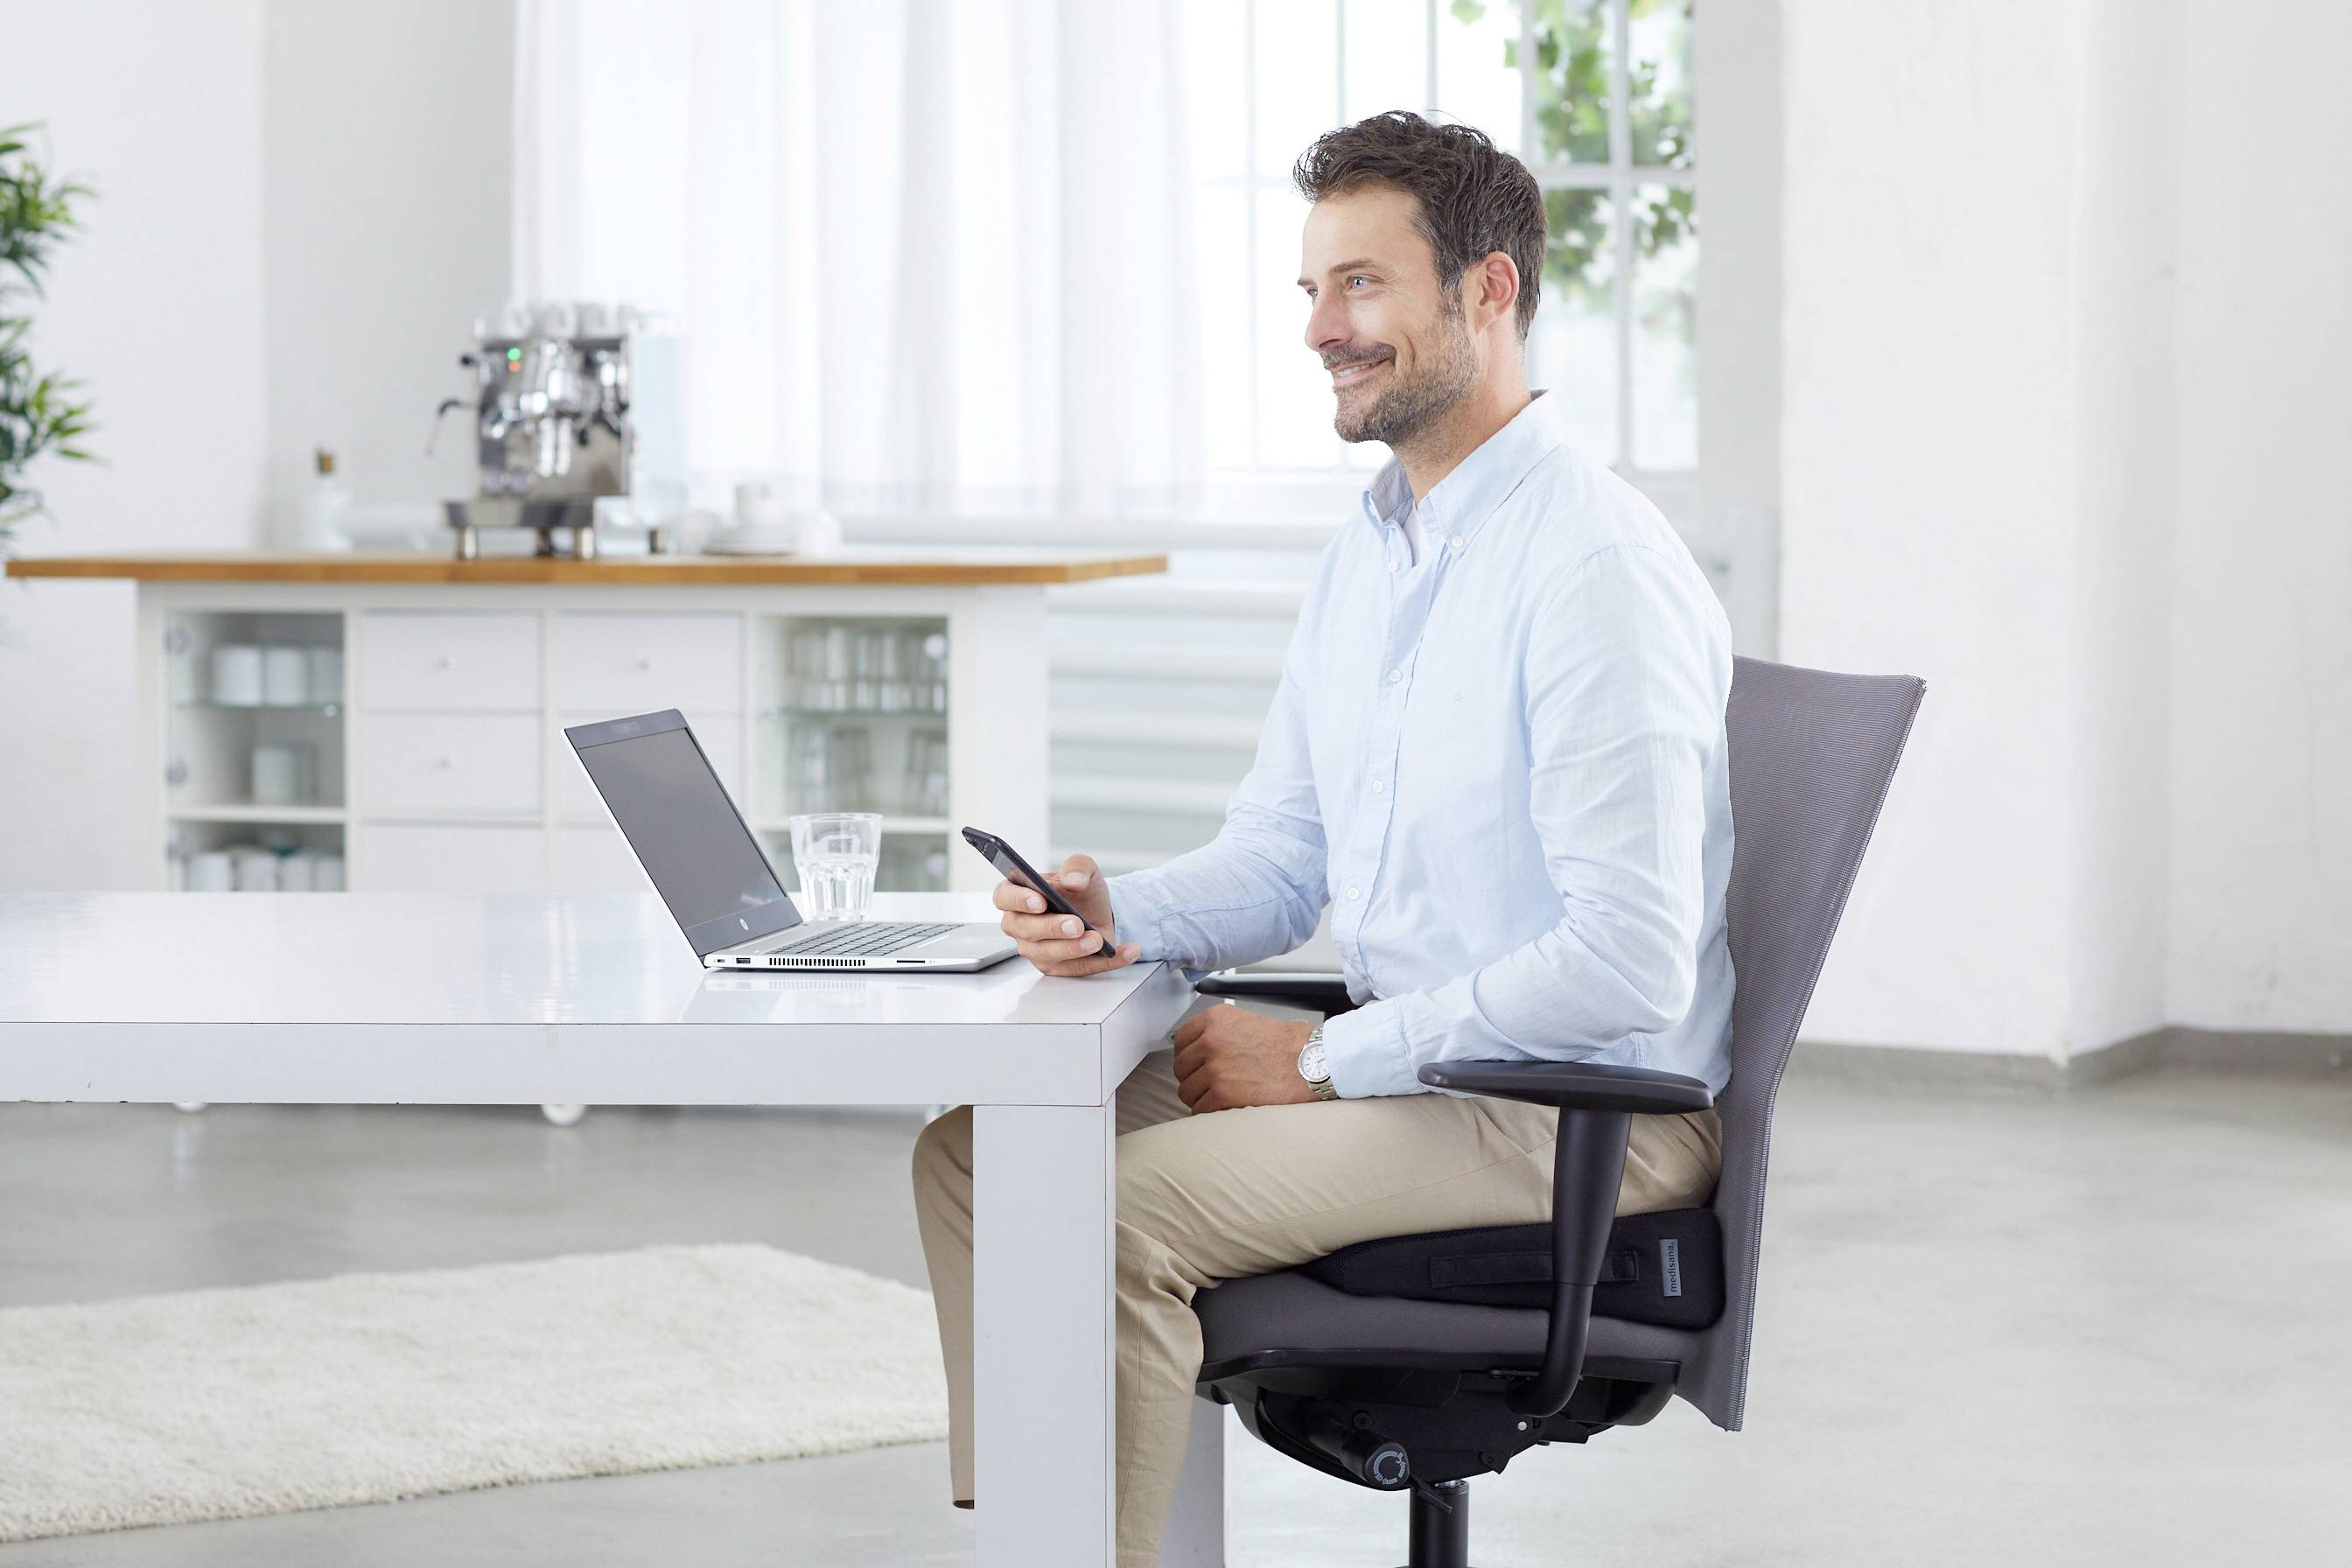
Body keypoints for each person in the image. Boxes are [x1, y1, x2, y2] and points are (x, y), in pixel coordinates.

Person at [912, 109, 1735, 1565]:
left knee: (1099, 1214)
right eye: (1309, 290)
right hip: (1436, 1067)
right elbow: (1287, 856)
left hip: (1573, 1114)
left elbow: (1625, 962)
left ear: (1487, 293)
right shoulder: (1380, 548)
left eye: (1360, 285)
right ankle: (1046, 1540)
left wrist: (1323, 1061)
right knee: (983, 1158)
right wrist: (1125, 911)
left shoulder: (1591, 567)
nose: (1319, 329)